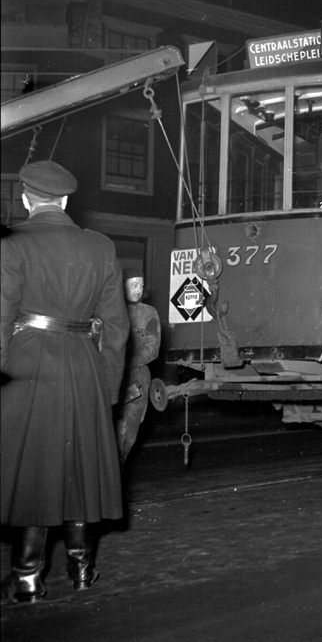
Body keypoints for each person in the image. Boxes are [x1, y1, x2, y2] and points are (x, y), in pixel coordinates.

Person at [1, 160, 130, 604]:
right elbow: (116, 329)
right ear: (66, 200)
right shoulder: (100, 246)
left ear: (25, 199)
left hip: (27, 365)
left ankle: (27, 576)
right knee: (81, 470)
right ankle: (81, 569)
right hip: (84, 367)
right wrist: (108, 390)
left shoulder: (12, 244)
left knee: (32, 468)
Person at [114, 268, 161, 463]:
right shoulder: (110, 310)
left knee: (127, 433)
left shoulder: (148, 313)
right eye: (133, 285)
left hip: (136, 380)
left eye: (141, 285)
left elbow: (152, 347)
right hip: (111, 377)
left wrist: (128, 363)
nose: (138, 290)